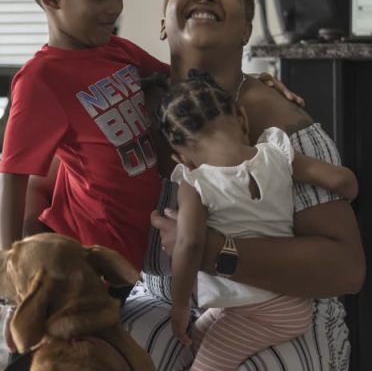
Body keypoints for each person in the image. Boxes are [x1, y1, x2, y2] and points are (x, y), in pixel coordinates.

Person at [120, 0, 365, 370]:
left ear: (248, 30)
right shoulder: (128, 109)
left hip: (280, 306)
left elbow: (345, 270)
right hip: (164, 299)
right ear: (162, 23)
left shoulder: (284, 128)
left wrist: (211, 251)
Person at [0, 0, 169, 359]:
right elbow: (11, 178)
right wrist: (12, 277)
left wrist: (254, 84)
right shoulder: (41, 79)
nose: (114, 7)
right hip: (82, 265)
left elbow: (183, 81)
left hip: (134, 256)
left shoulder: (119, 52)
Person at [153, 69, 358, 371]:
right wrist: (350, 194)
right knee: (195, 337)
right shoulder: (276, 153)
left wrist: (180, 305)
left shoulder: (195, 183)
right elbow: (341, 179)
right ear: (243, 119)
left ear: (180, 157)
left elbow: (191, 243)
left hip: (257, 310)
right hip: (287, 298)